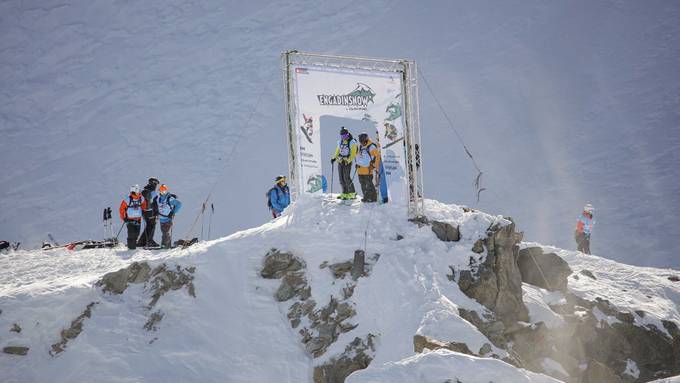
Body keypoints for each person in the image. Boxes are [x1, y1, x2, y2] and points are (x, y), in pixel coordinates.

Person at [330, 127, 358, 200]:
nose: (344, 137)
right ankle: (345, 193)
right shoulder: (340, 142)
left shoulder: (352, 142)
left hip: (347, 162)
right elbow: (337, 151)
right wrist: (334, 158)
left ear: (348, 135)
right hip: (340, 161)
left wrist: (348, 161)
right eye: (342, 136)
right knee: (341, 178)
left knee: (347, 178)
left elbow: (353, 154)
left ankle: (352, 193)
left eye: (345, 136)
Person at [119, 185, 147, 250]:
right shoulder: (128, 199)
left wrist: (143, 210)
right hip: (129, 220)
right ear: (134, 191)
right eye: (137, 190)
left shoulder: (141, 198)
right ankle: (131, 248)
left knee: (137, 234)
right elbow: (121, 209)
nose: (139, 192)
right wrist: (123, 217)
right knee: (131, 234)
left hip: (138, 219)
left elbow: (144, 204)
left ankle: (133, 246)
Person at [355, 133, 381, 202]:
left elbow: (377, 157)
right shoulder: (360, 146)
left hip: (367, 169)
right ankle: (366, 197)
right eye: (360, 142)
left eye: (363, 142)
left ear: (366, 140)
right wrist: (357, 163)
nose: (361, 143)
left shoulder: (371, 147)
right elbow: (358, 156)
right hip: (360, 170)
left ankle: (373, 198)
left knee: (369, 184)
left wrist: (374, 166)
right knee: (363, 184)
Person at [156, 184, 182, 249]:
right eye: (161, 191)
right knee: (164, 232)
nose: (162, 192)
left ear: (166, 191)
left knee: (165, 232)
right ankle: (168, 245)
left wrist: (173, 212)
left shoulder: (169, 199)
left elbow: (179, 204)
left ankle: (164, 245)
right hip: (161, 219)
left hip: (167, 219)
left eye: (164, 191)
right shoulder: (159, 199)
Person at [137, 177, 160, 247]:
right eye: (156, 183)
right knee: (152, 226)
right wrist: (156, 212)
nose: (156, 185)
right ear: (153, 183)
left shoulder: (143, 191)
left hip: (143, 211)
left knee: (148, 226)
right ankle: (149, 241)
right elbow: (154, 203)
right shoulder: (153, 192)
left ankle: (142, 241)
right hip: (150, 211)